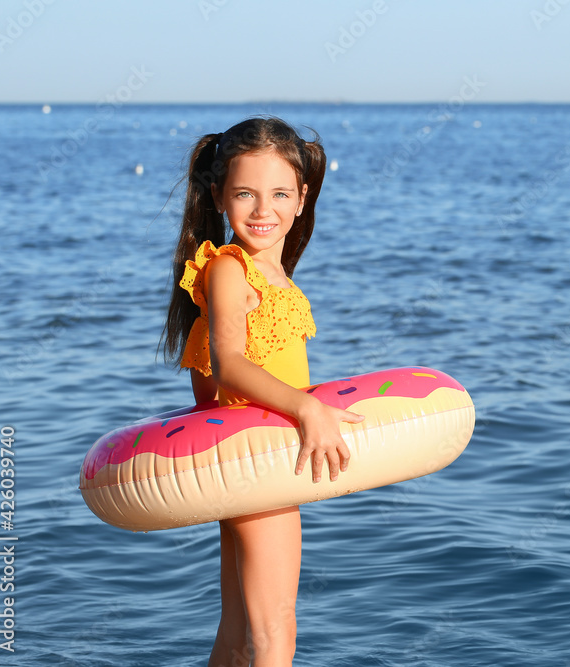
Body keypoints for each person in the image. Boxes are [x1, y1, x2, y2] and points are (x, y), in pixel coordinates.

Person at [161, 117, 364, 667]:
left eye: (278, 193)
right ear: (220, 195)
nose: (262, 210)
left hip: (256, 459)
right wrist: (305, 406)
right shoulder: (231, 270)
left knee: (239, 629)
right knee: (275, 630)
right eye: (245, 194)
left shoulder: (275, 276)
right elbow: (229, 366)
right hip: (256, 461)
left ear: (302, 198)